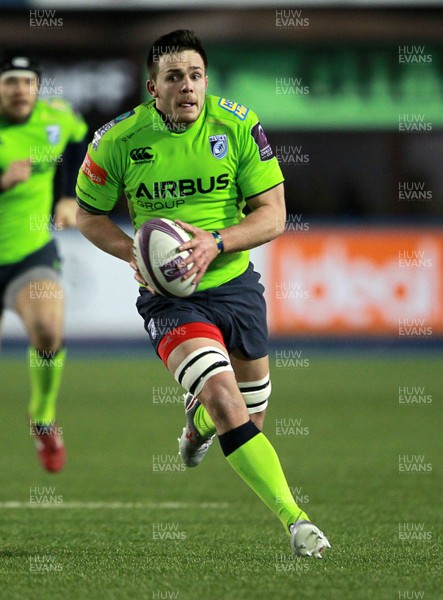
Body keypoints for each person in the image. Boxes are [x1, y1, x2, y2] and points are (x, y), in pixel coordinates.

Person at [76, 29, 330, 558]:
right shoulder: (117, 141)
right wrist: (132, 253)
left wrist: (216, 242)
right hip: (170, 300)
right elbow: (87, 215)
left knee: (249, 417)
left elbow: (274, 215)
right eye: (174, 77)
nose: (187, 87)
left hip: (235, 287)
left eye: (195, 76)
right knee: (224, 398)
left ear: (205, 80)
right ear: (153, 87)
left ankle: (195, 428)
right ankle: (297, 522)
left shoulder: (237, 126)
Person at [0, 54, 88, 472]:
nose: (20, 89)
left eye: (27, 82)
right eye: (10, 81)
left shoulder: (55, 117)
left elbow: (78, 138)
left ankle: (43, 417)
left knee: (49, 330)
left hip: (28, 254)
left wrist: (68, 193)